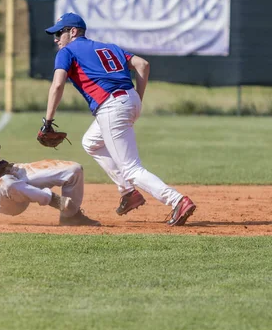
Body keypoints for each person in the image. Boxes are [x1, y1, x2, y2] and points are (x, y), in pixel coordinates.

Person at [42, 12, 196, 226]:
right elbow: (143, 65)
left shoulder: (67, 51)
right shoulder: (109, 48)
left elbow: (57, 85)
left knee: (132, 169)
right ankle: (128, 193)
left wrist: (48, 122)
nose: (56, 38)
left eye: (59, 33)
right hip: (128, 98)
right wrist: (137, 101)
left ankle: (177, 200)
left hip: (110, 106)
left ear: (73, 31)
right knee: (91, 142)